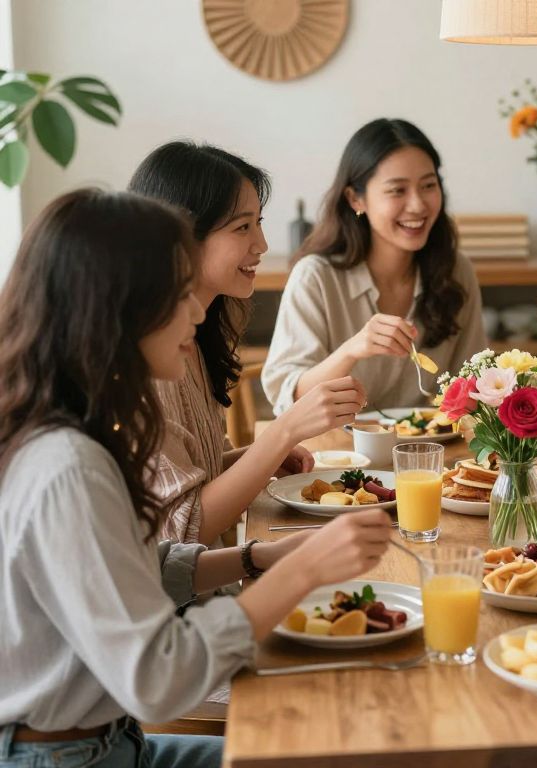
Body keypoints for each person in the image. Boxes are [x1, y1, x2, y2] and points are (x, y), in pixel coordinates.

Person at [0, 189, 392, 768]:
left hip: (110, 743)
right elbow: (156, 679)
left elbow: (133, 570)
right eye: (180, 294)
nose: (199, 311)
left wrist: (258, 558)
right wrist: (305, 570)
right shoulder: (67, 466)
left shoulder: (72, 429)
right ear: (118, 309)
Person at [129, 142, 365, 546]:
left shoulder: (196, 336)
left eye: (258, 222)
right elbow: (181, 530)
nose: (262, 244)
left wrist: (264, 457)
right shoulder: (149, 360)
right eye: (243, 227)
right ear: (183, 235)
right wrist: (283, 431)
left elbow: (195, 471)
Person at [262, 118, 487, 413]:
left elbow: (476, 383)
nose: (418, 205)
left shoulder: (456, 271)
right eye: (397, 190)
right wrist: (352, 350)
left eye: (428, 185)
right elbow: (288, 398)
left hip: (434, 453)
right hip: (338, 452)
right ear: (356, 198)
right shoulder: (315, 277)